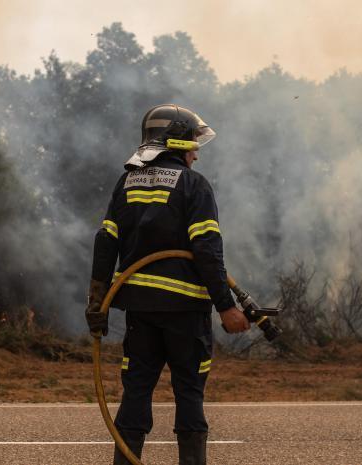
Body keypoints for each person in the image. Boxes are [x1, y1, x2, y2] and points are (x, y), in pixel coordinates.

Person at [85, 104, 250, 465]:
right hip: (185, 311)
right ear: (175, 143)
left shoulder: (126, 182)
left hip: (140, 310)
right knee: (189, 393)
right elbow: (206, 249)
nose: (196, 155)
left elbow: (106, 242)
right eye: (193, 145)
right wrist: (226, 306)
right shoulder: (193, 184)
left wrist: (97, 303)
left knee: (135, 392)